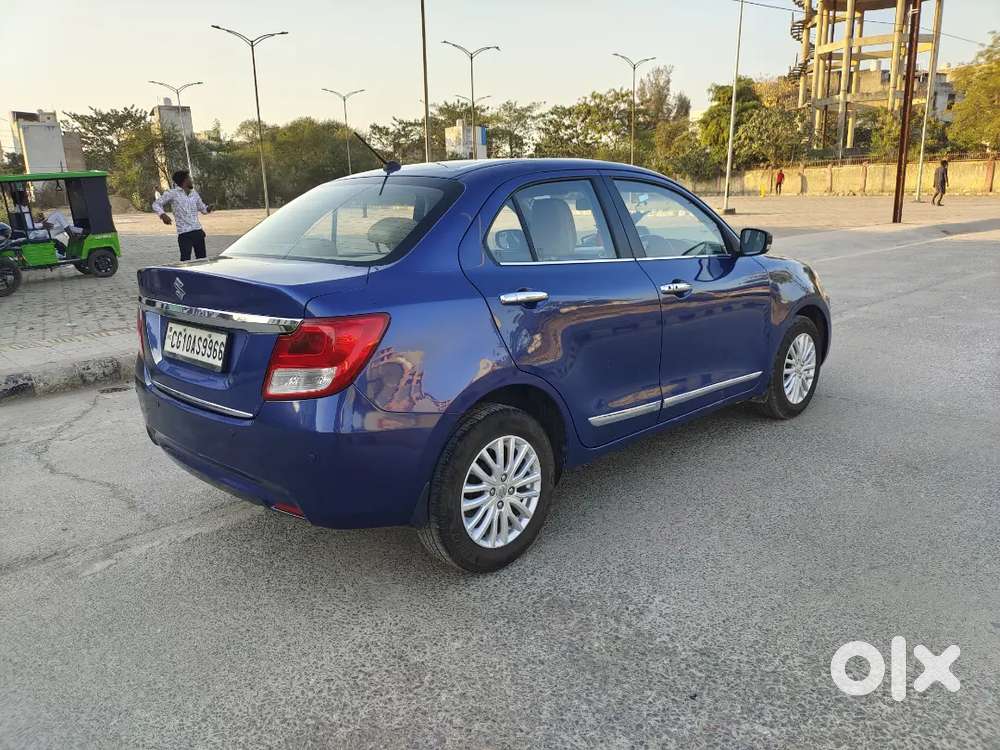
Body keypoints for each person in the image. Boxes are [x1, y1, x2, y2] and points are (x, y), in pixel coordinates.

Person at [152, 170, 212, 261]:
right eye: (189, 178)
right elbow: (156, 204)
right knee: (185, 261)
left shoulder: (194, 194)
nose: (191, 180)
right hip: (184, 234)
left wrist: (208, 208)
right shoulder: (172, 193)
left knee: (202, 260)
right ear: (184, 181)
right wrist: (162, 215)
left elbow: (203, 209)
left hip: (198, 231)